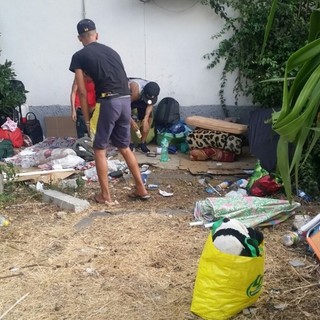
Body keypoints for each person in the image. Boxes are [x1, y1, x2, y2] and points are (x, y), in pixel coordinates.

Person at [69, 18, 150, 205]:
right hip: (125, 100)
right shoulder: (112, 52)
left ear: (79, 38)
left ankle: (105, 195)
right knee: (124, 147)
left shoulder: (79, 56)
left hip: (108, 101)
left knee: (99, 148)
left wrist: (88, 120)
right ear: (96, 35)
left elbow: (81, 91)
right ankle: (141, 188)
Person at [129, 78, 160, 153]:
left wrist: (145, 119)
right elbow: (124, 107)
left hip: (142, 100)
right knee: (125, 120)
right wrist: (131, 121)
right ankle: (130, 142)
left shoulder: (154, 91)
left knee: (149, 118)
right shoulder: (135, 89)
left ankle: (143, 143)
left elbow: (150, 105)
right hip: (128, 101)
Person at [70, 74, 96, 138]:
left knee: (94, 131)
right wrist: (73, 110)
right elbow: (73, 92)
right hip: (80, 106)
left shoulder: (96, 76)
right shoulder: (78, 76)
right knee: (82, 131)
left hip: (94, 107)